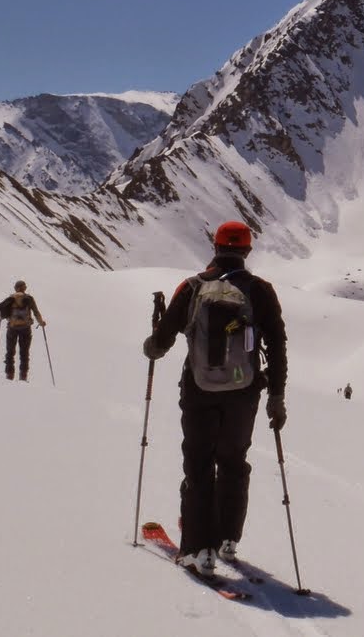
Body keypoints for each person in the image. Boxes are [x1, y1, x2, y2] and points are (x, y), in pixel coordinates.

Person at [142, 220, 287, 574]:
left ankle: (198, 549)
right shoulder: (260, 291)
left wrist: (152, 343)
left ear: (215, 246)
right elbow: (277, 345)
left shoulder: (192, 287)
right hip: (244, 392)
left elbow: (160, 343)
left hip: (199, 390)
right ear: (247, 250)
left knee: (199, 464)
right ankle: (228, 539)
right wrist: (277, 396)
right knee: (234, 462)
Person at [0, 280, 46, 381]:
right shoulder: (29, 299)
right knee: (24, 353)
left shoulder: (11, 298)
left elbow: (3, 314)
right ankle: (23, 377)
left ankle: (9, 376)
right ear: (24, 288)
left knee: (10, 352)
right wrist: (41, 322)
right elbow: (36, 312)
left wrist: (2, 317)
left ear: (16, 288)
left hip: (12, 328)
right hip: (25, 328)